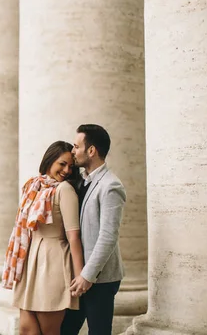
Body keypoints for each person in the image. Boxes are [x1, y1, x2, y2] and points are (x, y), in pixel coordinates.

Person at [2, 141, 84, 335]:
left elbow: (73, 235)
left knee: (49, 330)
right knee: (26, 329)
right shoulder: (34, 186)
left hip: (53, 261)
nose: (66, 170)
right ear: (49, 160)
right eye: (62, 164)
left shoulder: (64, 190)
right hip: (30, 261)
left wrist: (81, 275)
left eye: (70, 167)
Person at [61, 124, 126, 335]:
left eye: (76, 146)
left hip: (99, 278)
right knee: (65, 330)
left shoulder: (111, 186)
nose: (73, 151)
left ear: (91, 150)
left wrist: (87, 276)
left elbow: (108, 236)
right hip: (79, 275)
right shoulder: (82, 182)